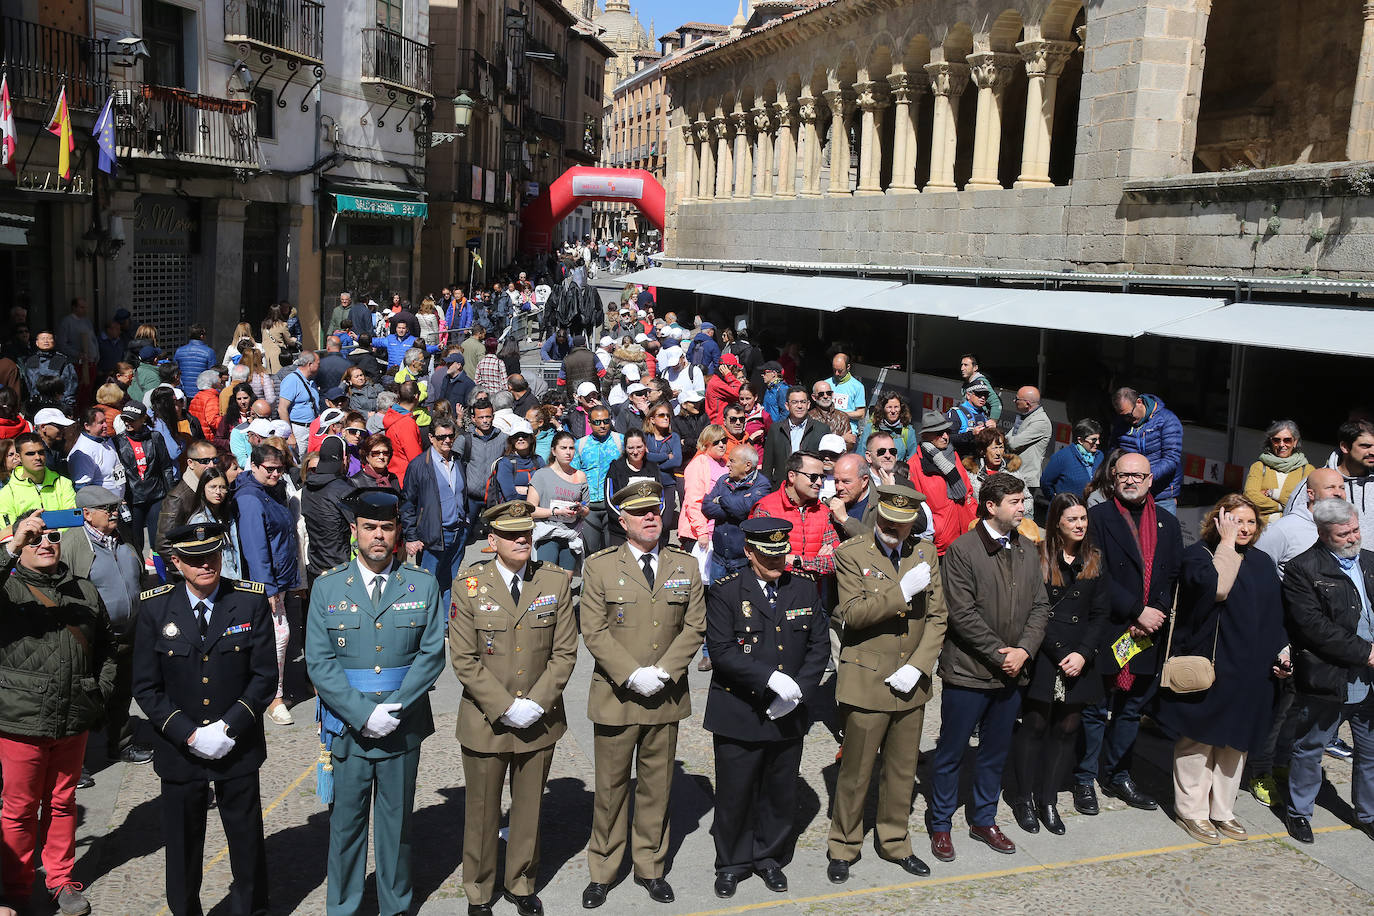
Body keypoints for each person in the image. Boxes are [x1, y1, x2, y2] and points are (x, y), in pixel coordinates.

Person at [306, 489, 446, 916]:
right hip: (348, 727)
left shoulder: (421, 584)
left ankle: (395, 904)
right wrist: (363, 713)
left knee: (396, 824)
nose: (379, 536)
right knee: (346, 826)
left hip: (403, 725)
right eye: (370, 528)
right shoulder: (328, 588)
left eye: (387, 527)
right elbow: (319, 659)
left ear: (398, 532)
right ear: (354, 532)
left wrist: (394, 709)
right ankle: (343, 907)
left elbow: (431, 653)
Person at [132, 523, 274, 916]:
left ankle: (250, 907)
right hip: (181, 749)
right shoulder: (155, 607)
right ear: (176, 563)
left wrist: (229, 726)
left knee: (245, 838)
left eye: (211, 555)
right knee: (181, 843)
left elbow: (264, 676)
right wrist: (189, 734)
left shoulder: (248, 602)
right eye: (194, 559)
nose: (205, 565)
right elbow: (146, 687)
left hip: (237, 743)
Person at [578, 480, 706, 909]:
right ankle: (603, 870)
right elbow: (592, 630)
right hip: (617, 694)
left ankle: (650, 866)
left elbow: (694, 627)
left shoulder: (685, 566)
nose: (651, 517)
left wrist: (665, 672)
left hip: (665, 696)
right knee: (611, 789)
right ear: (623, 521)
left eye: (656, 510)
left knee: (657, 787)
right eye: (641, 512)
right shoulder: (599, 566)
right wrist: (631, 674)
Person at [450, 500, 577, 916]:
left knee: (529, 808)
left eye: (525, 533)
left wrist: (536, 704)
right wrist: (505, 706)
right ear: (492, 541)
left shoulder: (554, 582)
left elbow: (564, 653)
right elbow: (464, 658)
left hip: (539, 719)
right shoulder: (468, 585)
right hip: (487, 719)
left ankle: (521, 881)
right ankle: (480, 890)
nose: (521, 539)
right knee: (483, 811)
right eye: (510, 534)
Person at [824, 484, 943, 883]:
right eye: (889, 524)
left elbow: (939, 617)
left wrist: (920, 666)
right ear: (878, 517)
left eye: (904, 526)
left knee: (902, 768)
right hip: (867, 679)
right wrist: (901, 592)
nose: (896, 533)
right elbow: (853, 614)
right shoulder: (852, 554)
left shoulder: (925, 554)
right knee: (856, 770)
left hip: (910, 679)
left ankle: (895, 841)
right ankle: (843, 844)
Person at [1154, 494, 1288, 845]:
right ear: (1217, 520)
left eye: (1249, 523)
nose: (1243, 528)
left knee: (1235, 743)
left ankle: (1223, 809)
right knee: (1198, 739)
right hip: (1213, 664)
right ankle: (1191, 810)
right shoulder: (1198, 555)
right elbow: (1217, 588)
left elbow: (1275, 614)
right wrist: (1225, 544)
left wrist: (1283, 652)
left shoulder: (1261, 561)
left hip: (1252, 668)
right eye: (1235, 521)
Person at [705, 517, 828, 898]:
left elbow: (818, 648)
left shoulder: (803, 589)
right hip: (740, 710)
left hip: (787, 712)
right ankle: (733, 862)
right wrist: (768, 680)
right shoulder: (726, 591)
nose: (776, 564)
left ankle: (768, 857)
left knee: (779, 791)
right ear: (748, 552)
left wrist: (797, 692)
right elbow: (722, 651)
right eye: (767, 557)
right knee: (735, 792)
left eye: (780, 556)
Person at [0, 511, 115, 916]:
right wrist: (12, 546)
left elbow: (106, 647)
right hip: (21, 721)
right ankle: (15, 887)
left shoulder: (82, 588)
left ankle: (61, 880)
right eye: (34, 539)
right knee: (19, 807)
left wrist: (97, 693)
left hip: (73, 715)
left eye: (50, 536)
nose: (45, 543)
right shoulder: (9, 589)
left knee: (62, 801)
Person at [1073, 451, 1184, 815]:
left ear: (1151, 480)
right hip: (1110, 626)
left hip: (1148, 631)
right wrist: (1137, 611)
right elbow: (1094, 572)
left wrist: (1157, 612)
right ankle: (1084, 778)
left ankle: (1119, 774)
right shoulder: (1099, 519)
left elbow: (1170, 577)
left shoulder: (1167, 522)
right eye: (1124, 476)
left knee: (1131, 708)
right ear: (1113, 479)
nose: (1132, 481)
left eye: (1139, 476)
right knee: (1094, 708)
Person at [1008, 493, 1109, 836]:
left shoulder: (1094, 559)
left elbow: (1100, 614)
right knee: (1035, 725)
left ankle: (1047, 799)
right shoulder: (1037, 558)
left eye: (1083, 519)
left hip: (1081, 658)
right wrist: (1061, 650)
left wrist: (1083, 653)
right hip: (1046, 655)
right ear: (1056, 524)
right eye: (1072, 520)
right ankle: (1023, 797)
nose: (1080, 525)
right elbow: (1032, 612)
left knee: (1067, 729)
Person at [1281, 497, 1374, 844]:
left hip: (1370, 680)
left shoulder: (1369, 562)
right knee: (1310, 747)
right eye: (1343, 534)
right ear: (1322, 533)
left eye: (1354, 530)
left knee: (1371, 751)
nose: (1352, 538)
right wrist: (1366, 652)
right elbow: (1313, 628)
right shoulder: (1303, 570)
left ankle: (1368, 814)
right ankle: (1299, 812)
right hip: (1329, 677)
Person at [234, 443, 300, 727]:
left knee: (274, 638)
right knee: (279, 636)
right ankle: (274, 698)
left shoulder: (272, 490)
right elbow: (256, 547)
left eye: (279, 469)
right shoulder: (250, 498)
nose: (275, 474)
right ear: (254, 467)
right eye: (269, 469)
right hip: (267, 584)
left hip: (280, 579)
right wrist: (269, 588)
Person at [399, 417, 467, 613]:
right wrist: (411, 536)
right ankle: (424, 622)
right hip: (433, 533)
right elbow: (408, 503)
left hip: (458, 532)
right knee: (427, 582)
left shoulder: (458, 460)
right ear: (430, 437)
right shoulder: (419, 465)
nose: (447, 440)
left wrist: (466, 520)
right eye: (441, 437)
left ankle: (446, 621)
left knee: (450, 579)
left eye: (450, 436)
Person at [750, 451, 842, 576]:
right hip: (779, 590)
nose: (820, 482)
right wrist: (816, 563)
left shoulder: (823, 511)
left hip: (812, 591)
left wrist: (796, 560)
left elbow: (836, 560)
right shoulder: (766, 508)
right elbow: (765, 561)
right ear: (792, 476)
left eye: (822, 477)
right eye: (814, 477)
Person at [907, 410, 977, 556]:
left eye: (947, 431)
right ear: (926, 435)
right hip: (940, 544)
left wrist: (972, 515)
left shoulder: (953, 454)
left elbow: (968, 491)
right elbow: (917, 507)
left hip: (967, 536)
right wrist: (937, 530)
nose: (945, 436)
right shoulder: (914, 465)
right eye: (939, 433)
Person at [702, 444, 773, 582]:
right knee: (716, 600)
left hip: (744, 562)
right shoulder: (724, 480)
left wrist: (721, 500)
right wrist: (736, 510)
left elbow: (747, 510)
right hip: (719, 558)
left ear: (747, 466)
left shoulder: (762, 485)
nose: (727, 464)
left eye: (732, 461)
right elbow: (706, 506)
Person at [1112, 387, 1184, 514]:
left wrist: (1144, 478)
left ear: (1139, 402)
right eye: (1122, 416)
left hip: (1161, 495)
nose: (1127, 420)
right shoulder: (1121, 422)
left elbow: (1171, 458)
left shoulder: (1167, 420)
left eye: (1129, 415)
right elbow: (1113, 451)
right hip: (1128, 492)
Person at [526, 431, 589, 571]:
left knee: (566, 581)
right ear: (553, 451)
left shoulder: (580, 476)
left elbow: (586, 508)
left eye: (571, 448)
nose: (568, 452)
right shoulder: (541, 475)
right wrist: (556, 512)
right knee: (548, 579)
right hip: (547, 534)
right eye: (563, 448)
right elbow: (530, 510)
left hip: (572, 535)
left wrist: (580, 509)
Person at [302, 437, 356, 584]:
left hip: (315, 567)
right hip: (340, 570)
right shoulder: (343, 491)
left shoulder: (306, 488)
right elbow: (358, 528)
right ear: (344, 458)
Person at [572, 405, 622, 555]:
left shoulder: (621, 441)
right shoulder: (580, 444)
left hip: (613, 504)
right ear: (589, 422)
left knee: (612, 550)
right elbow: (574, 474)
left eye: (606, 421)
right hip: (589, 505)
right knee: (591, 551)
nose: (602, 425)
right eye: (597, 422)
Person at [1243, 419, 1314, 523]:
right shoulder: (1259, 466)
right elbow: (1250, 497)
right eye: (1276, 440)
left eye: (1287, 440)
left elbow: (1304, 504)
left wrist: (1273, 493)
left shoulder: (1307, 470)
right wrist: (1281, 506)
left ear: (1295, 442)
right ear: (1270, 442)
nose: (1281, 445)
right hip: (1260, 529)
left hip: (1290, 529)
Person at [679, 425, 729, 571]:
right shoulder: (698, 464)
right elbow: (693, 502)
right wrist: (702, 532)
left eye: (724, 440)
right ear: (706, 444)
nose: (721, 444)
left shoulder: (726, 463)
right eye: (716, 442)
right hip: (699, 534)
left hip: (719, 532)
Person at [0, 431, 76, 527]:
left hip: (64, 540)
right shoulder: (7, 493)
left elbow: (73, 521)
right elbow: (9, 532)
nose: (38, 457)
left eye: (41, 452)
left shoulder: (63, 483)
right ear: (18, 457)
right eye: (30, 453)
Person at [761, 387, 826, 484]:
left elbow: (825, 463)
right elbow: (767, 465)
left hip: (810, 487)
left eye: (803, 402)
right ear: (787, 406)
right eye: (795, 402)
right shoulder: (775, 429)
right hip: (781, 486)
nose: (799, 406)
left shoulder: (821, 430)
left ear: (808, 405)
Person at [187, 468, 243, 580]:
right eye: (213, 487)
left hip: (235, 578)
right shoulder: (199, 521)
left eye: (222, 487)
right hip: (215, 582)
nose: (218, 492)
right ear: (203, 489)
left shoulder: (229, 516)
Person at [1006, 386, 1052, 500]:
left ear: (1027, 404)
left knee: (1023, 514)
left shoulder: (1041, 421)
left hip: (1026, 479)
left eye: (1017, 399)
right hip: (1014, 474)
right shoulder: (1026, 416)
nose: (1014, 401)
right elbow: (1008, 438)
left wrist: (1007, 439)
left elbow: (1012, 443)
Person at [1041, 419, 1103, 502]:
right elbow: (1046, 482)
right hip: (1066, 508)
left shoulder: (1100, 456)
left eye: (1099, 439)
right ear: (1080, 440)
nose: (1098, 442)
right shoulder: (1062, 456)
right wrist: (1055, 500)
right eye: (1094, 440)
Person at [278, 352, 322, 458]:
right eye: (318, 364)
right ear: (309, 364)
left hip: (312, 428)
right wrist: (290, 435)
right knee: (300, 461)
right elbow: (282, 409)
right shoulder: (292, 380)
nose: (320, 367)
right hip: (299, 430)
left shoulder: (311, 381)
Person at [23, 330, 77, 413]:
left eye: (49, 338)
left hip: (58, 405)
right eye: (43, 339)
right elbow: (28, 385)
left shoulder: (61, 360)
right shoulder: (31, 361)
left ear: (54, 342)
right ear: (37, 342)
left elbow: (70, 385)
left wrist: (68, 406)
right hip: (37, 406)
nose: (46, 341)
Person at [382, 381, 424, 485]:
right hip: (406, 479)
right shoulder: (406, 423)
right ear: (417, 396)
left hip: (395, 474)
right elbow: (415, 459)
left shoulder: (392, 414)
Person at [857, 392, 918, 463]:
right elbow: (861, 455)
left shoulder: (907, 430)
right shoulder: (871, 428)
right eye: (889, 407)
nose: (893, 411)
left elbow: (912, 459)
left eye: (896, 407)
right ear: (882, 409)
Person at [946, 382, 995, 451]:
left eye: (985, 395)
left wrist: (993, 431)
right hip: (960, 457)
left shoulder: (985, 414)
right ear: (968, 395)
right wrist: (971, 434)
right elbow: (948, 438)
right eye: (979, 394)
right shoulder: (956, 413)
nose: (983, 397)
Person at [173, 326, 216, 396]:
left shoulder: (179, 351)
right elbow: (213, 374)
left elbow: (174, 371)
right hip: (202, 392)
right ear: (202, 336)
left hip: (183, 392)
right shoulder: (209, 352)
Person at [958, 353, 1002, 420]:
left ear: (975, 368)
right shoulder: (967, 383)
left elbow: (996, 403)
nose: (962, 368)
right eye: (962, 365)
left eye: (966, 365)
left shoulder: (981, 382)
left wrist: (993, 421)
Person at [33, 407, 74, 478]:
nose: (63, 430)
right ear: (43, 427)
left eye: (64, 427)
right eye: (59, 426)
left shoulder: (60, 446)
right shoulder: (30, 447)